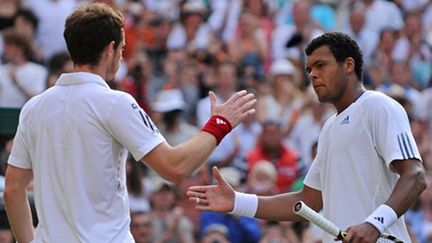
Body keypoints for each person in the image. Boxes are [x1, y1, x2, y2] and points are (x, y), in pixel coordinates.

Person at [2, 3, 256, 243]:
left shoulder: (33, 108)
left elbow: (13, 189)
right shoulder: (115, 103)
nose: (122, 57)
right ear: (109, 49)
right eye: (122, 49)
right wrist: (220, 123)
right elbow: (175, 167)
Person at [187, 32, 427, 243]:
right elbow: (307, 201)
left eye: (321, 65)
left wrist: (375, 224)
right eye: (309, 69)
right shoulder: (329, 128)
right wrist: (236, 202)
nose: (313, 75)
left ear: (348, 65)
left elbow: (415, 176)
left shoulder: (379, 106)